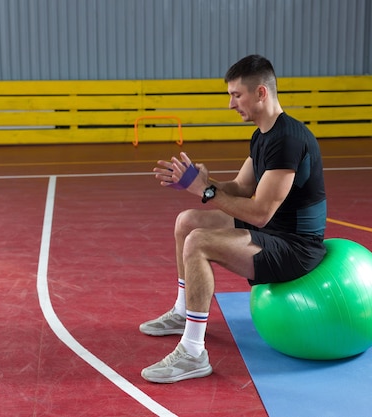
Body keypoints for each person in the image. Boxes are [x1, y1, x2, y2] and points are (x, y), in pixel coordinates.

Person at [140, 54, 327, 383]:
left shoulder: (289, 140)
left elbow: (260, 211)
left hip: (296, 248)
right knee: (187, 222)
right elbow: (241, 187)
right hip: (272, 232)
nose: (230, 104)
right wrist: (198, 185)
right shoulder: (263, 135)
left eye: (236, 95)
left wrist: (206, 192)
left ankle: (193, 354)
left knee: (199, 242)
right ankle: (184, 313)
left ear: (261, 93)